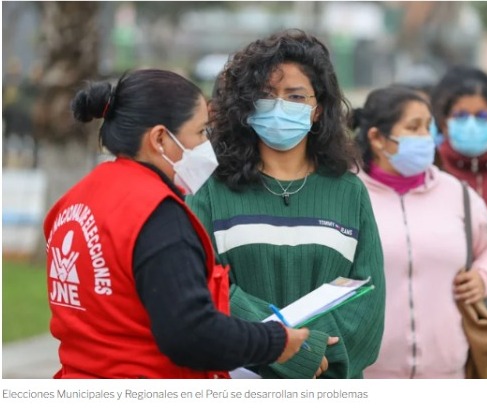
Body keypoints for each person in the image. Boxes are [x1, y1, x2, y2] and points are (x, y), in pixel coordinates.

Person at [44, 68, 309, 379]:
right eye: (199, 133)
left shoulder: (75, 201)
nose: (206, 145)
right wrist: (275, 340)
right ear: (159, 138)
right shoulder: (156, 215)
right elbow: (191, 333)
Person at [186, 29, 386, 379]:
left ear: (317, 109)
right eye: (266, 96)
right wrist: (283, 350)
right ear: (246, 107)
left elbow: (367, 306)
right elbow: (201, 286)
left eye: (295, 96)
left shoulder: (349, 192)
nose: (280, 107)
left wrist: (312, 355)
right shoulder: (209, 190)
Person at [350, 85, 487, 378]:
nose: (425, 137)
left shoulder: (456, 194)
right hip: (368, 374)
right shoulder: (348, 195)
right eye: (413, 127)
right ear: (376, 138)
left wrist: (483, 276)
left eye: (428, 127)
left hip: (448, 372)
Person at [431, 66, 487, 306]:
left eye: (482, 116)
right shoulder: (431, 170)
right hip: (448, 308)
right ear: (444, 123)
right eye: (460, 116)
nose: (471, 124)